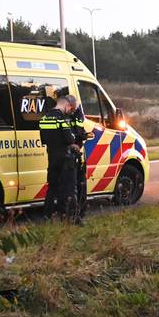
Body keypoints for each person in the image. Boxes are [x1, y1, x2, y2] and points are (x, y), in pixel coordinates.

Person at [38, 95, 77, 220]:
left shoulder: (43, 119)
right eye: (70, 108)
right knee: (68, 188)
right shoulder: (61, 119)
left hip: (52, 156)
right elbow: (70, 139)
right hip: (65, 158)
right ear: (66, 105)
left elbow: (43, 139)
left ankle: (47, 215)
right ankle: (69, 217)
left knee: (52, 187)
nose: (69, 111)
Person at [62, 94, 90, 224]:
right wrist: (83, 135)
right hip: (75, 154)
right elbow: (79, 132)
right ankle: (77, 214)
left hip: (69, 154)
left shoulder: (63, 114)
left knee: (72, 186)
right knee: (78, 185)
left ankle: (73, 214)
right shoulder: (77, 114)